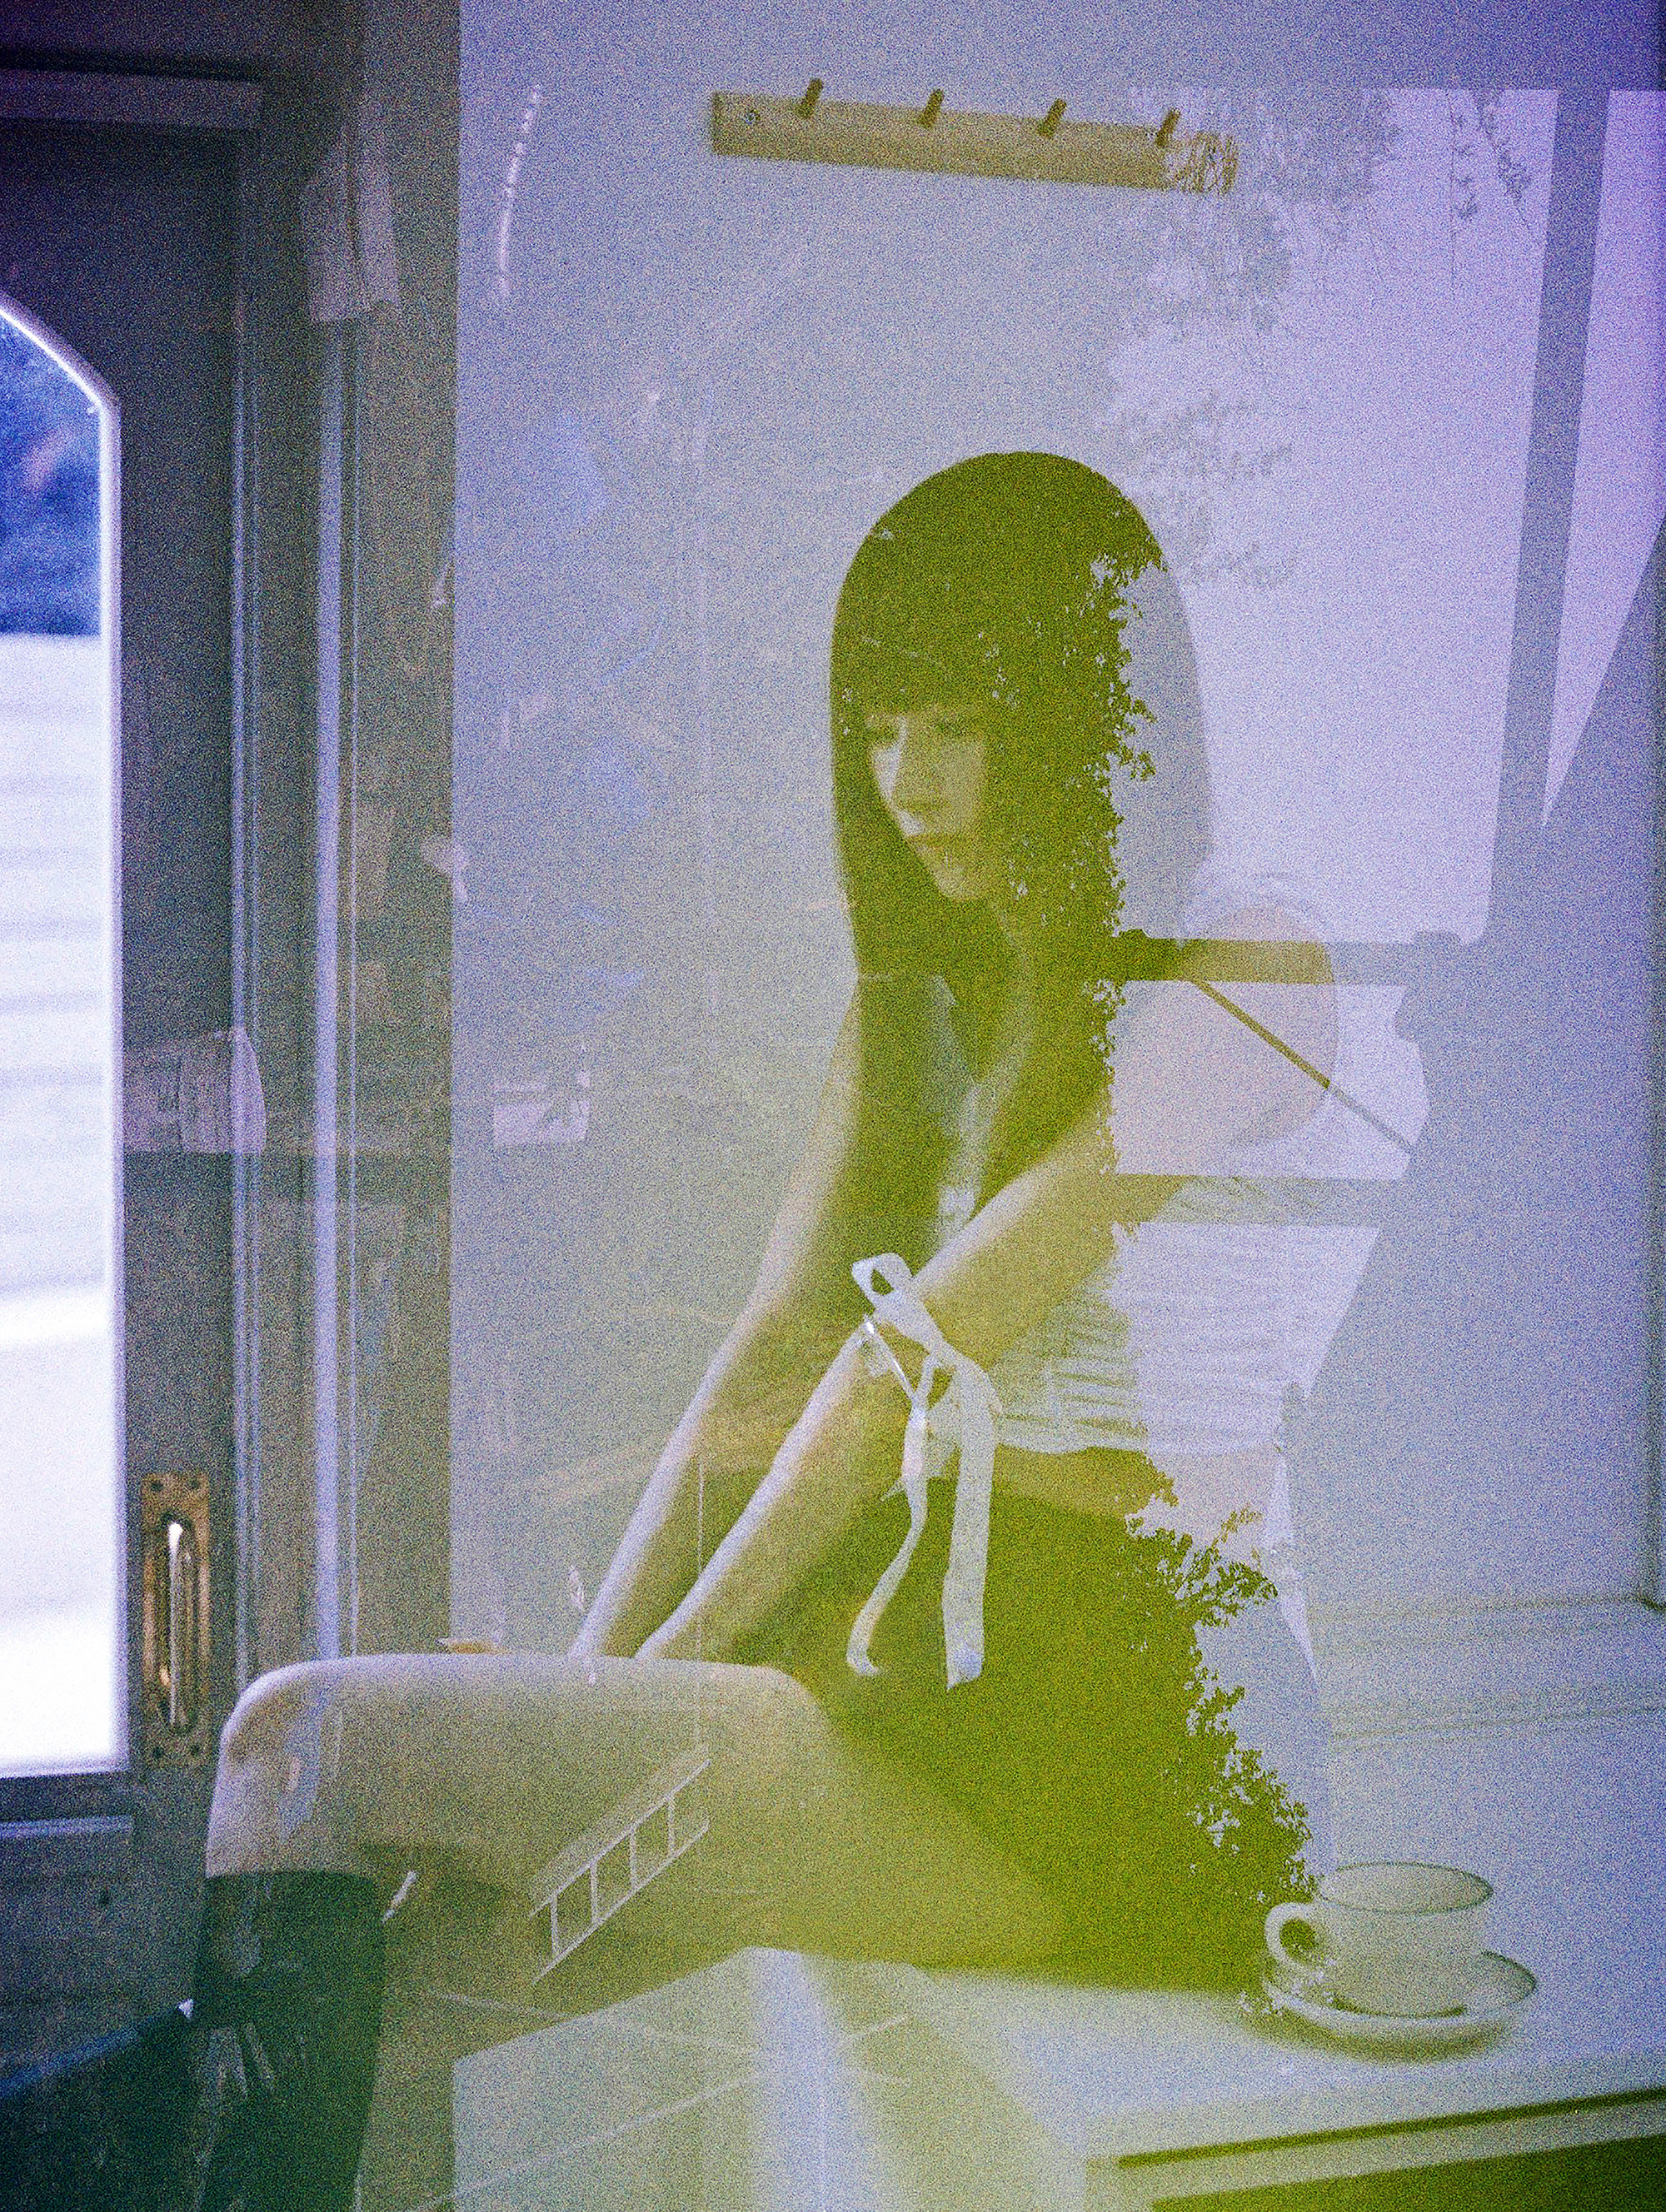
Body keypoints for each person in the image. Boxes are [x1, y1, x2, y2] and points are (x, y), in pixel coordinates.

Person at [2, 453, 1334, 2212]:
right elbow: (767, 1362)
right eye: (880, 728)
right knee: (392, 1990)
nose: (908, 782)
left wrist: (637, 1684)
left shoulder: (1249, 964)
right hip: (918, 1665)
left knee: (294, 1744)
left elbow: (901, 1365)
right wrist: (596, 1676)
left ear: (1087, 722)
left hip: (1139, 1732)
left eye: (958, 724)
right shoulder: (925, 997)